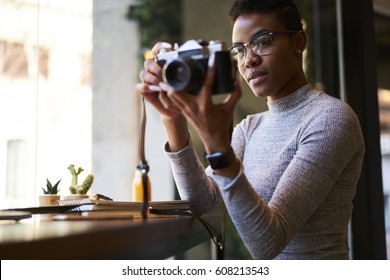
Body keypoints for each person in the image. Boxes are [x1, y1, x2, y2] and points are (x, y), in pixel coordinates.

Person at [136, 0, 365, 260]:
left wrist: (217, 144)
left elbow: (268, 244)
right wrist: (173, 118)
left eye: (263, 41)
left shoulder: (331, 118)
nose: (249, 60)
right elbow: (202, 202)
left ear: (298, 41)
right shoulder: (249, 127)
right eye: (239, 50)